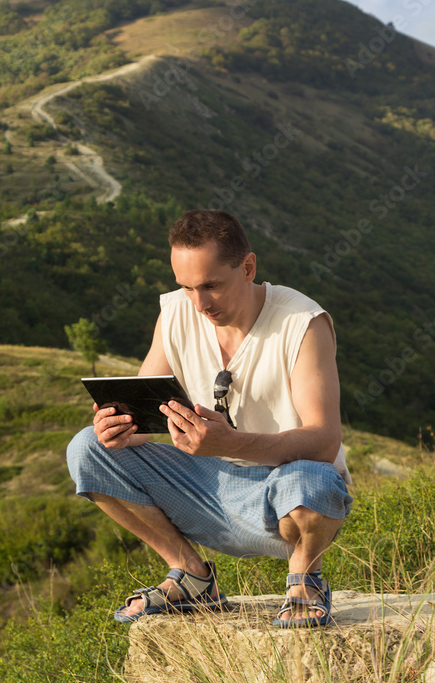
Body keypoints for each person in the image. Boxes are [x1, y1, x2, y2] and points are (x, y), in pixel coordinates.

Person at [66, 209, 352, 627]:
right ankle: (192, 578)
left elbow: (325, 440)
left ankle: (305, 578)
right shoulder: (177, 313)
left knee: (318, 481)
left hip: (286, 491)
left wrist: (234, 444)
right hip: (206, 484)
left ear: (248, 267)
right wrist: (123, 432)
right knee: (86, 449)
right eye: (186, 288)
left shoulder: (302, 323)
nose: (199, 304)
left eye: (211, 286)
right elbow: (145, 411)